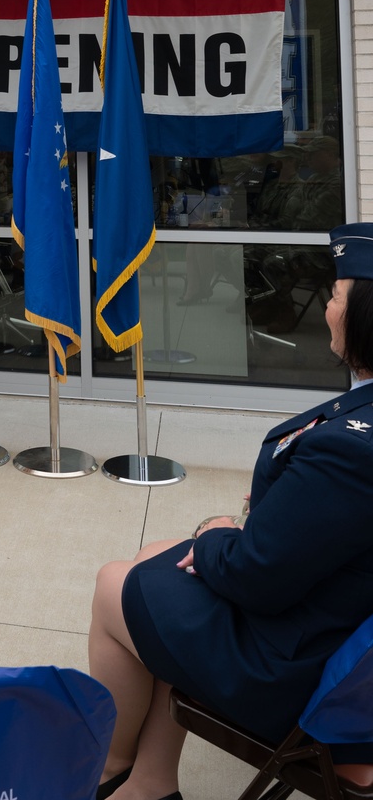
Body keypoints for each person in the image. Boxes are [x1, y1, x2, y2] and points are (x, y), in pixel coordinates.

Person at [89, 221, 373, 800]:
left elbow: (257, 577)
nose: (327, 309)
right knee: (156, 564)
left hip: (303, 670)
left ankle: (109, 772)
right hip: (334, 626)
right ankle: (150, 781)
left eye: (337, 296)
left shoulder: (353, 450)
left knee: (113, 584)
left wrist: (215, 533)